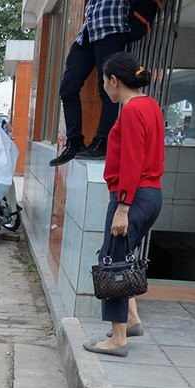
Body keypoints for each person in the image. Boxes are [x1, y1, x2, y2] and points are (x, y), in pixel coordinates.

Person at [82, 52, 164, 358]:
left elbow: (131, 161)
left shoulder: (130, 110)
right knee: (116, 255)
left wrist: (123, 206)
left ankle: (117, 339)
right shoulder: (150, 105)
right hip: (151, 194)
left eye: (104, 81)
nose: (104, 87)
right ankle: (131, 319)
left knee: (113, 263)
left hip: (133, 196)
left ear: (114, 80)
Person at [50, 0, 131, 166]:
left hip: (110, 28)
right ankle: (75, 143)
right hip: (85, 35)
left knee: (109, 89)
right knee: (67, 90)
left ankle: (102, 142)